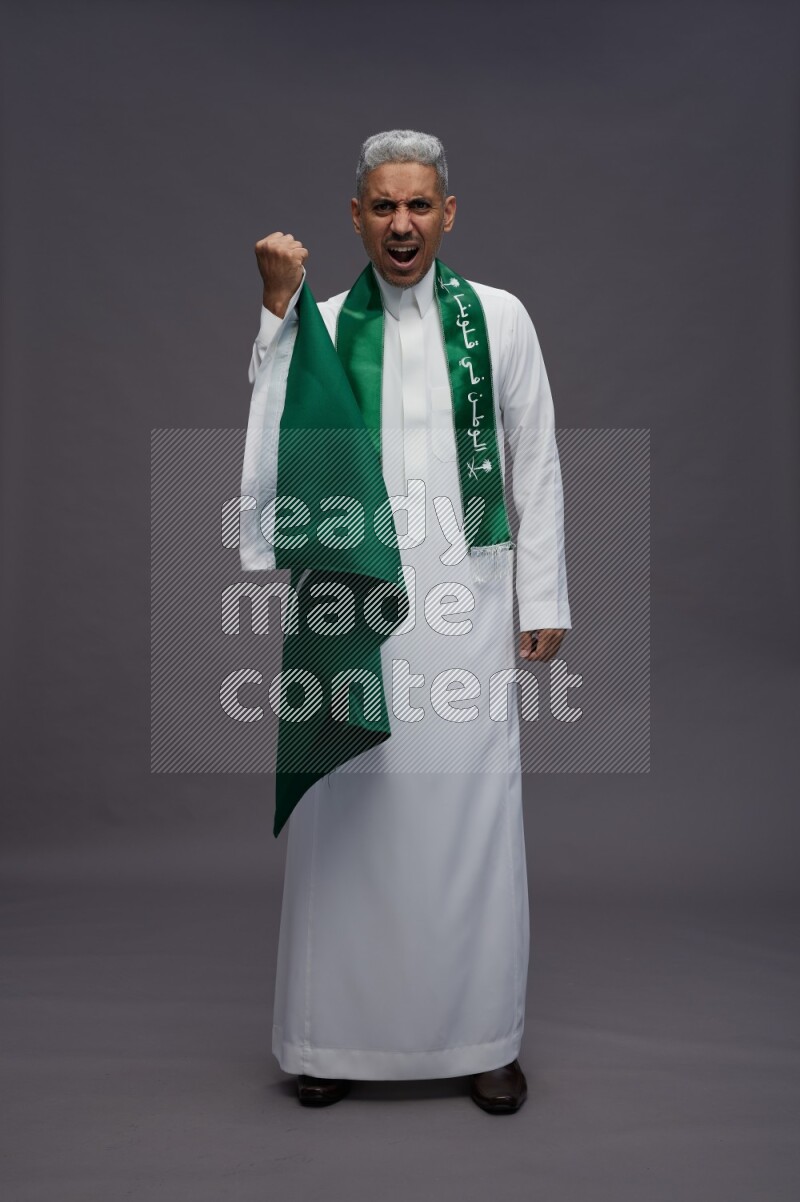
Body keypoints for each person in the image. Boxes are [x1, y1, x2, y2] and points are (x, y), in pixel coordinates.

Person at [239, 130, 571, 1114]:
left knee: (467, 814)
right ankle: (329, 1035)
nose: (400, 224)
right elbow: (274, 431)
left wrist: (543, 593)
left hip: (465, 597)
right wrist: (274, 311)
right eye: (381, 206)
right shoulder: (326, 320)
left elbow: (535, 454)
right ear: (355, 217)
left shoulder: (500, 319)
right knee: (351, 802)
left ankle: (480, 1036)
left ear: (447, 212)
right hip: (355, 597)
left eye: (418, 205)